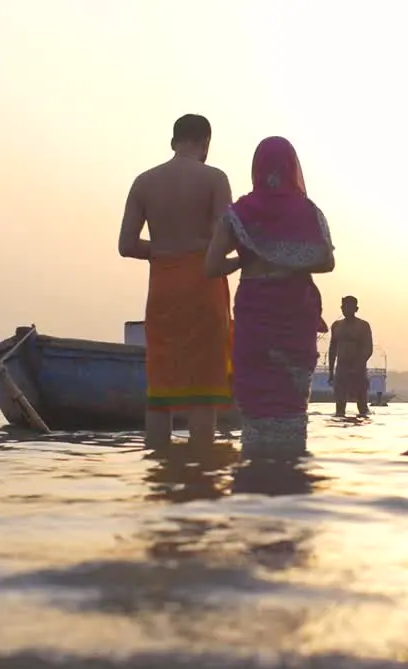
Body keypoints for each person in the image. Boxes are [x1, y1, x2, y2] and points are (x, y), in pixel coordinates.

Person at [204, 135, 334, 457]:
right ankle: (291, 483)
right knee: (291, 406)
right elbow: (327, 261)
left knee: (257, 403)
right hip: (293, 314)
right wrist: (289, 257)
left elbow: (211, 266)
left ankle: (254, 484)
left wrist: (247, 258)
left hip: (256, 313)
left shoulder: (240, 213)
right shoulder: (308, 212)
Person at [121, 114, 234, 449]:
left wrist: (166, 249)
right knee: (203, 393)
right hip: (205, 287)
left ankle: (158, 475)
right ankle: (201, 474)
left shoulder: (144, 182)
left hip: (163, 291)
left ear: (173, 142)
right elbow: (224, 239)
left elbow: (126, 245)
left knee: (160, 393)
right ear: (205, 144)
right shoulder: (214, 179)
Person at [329, 296, 373, 418]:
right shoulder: (336, 325)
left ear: (356, 309)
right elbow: (332, 349)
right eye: (344, 307)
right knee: (340, 406)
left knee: (362, 406)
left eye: (349, 307)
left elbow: (368, 349)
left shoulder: (363, 326)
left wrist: (357, 367)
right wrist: (331, 372)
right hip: (341, 368)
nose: (346, 309)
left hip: (358, 369)